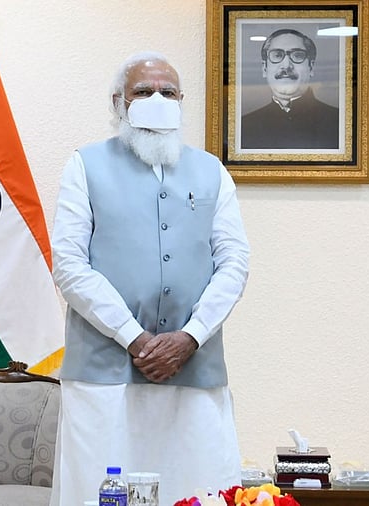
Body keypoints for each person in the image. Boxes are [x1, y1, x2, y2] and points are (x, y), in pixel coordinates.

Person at [49, 51, 250, 506]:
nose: (157, 100)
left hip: (193, 367)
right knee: (99, 490)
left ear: (181, 101)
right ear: (118, 102)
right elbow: (70, 265)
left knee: (198, 490)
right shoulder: (85, 165)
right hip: (105, 373)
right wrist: (134, 338)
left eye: (168, 92)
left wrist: (190, 337)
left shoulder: (212, 171)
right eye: (143, 91)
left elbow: (234, 262)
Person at [240, 28, 339, 149]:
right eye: (277, 55)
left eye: (297, 55)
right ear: (264, 68)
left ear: (311, 67)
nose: (286, 66)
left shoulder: (339, 123)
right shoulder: (243, 126)